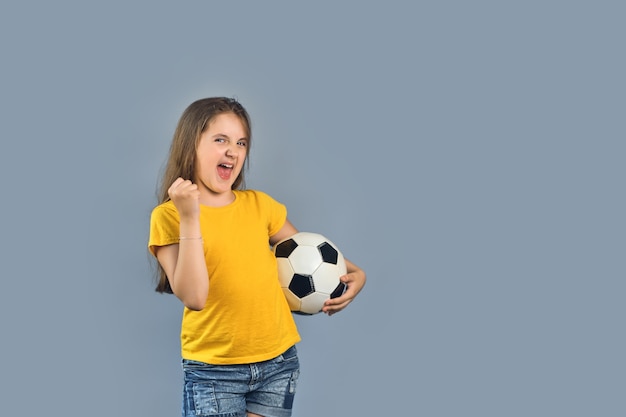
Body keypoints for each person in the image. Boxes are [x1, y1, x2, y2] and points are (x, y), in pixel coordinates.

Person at [148, 97, 366, 417]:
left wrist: (356, 272)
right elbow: (194, 297)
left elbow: (309, 252)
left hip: (278, 362)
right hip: (215, 371)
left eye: (241, 142)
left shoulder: (260, 205)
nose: (232, 151)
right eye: (220, 139)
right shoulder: (168, 216)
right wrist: (190, 217)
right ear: (190, 144)